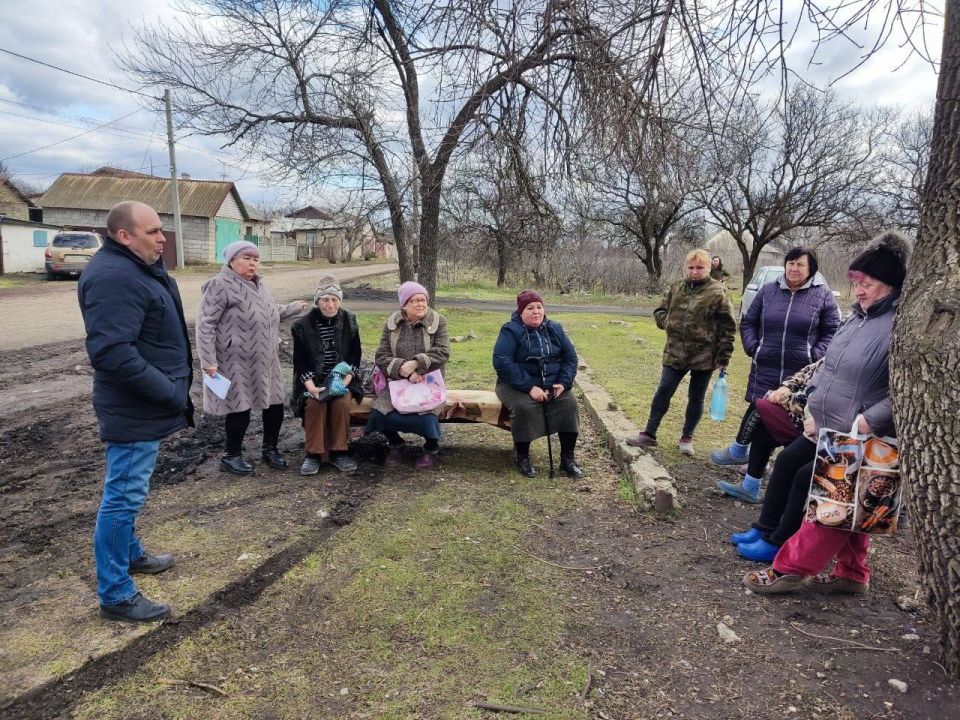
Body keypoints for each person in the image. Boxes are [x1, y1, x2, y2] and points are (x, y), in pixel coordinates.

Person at [732, 231, 908, 573]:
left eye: (867, 284)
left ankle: (780, 543)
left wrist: (869, 420)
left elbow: (903, 392)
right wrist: (812, 406)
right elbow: (827, 366)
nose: (858, 290)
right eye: (855, 282)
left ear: (890, 285)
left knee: (805, 478)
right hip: (826, 425)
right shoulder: (856, 318)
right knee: (786, 462)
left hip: (857, 433)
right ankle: (765, 529)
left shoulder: (896, 327)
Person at [78, 201, 193, 622]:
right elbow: (111, 353)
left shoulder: (136, 269)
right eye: (153, 232)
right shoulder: (114, 277)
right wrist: (169, 392)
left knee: (130, 492)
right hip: (134, 409)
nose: (163, 239)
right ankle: (115, 593)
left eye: (162, 230)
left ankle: (130, 554)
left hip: (143, 406)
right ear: (124, 236)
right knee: (122, 498)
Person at [714, 247, 840, 502]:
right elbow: (748, 321)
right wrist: (754, 347)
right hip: (767, 367)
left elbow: (832, 330)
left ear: (811, 269)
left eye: (800, 264)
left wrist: (814, 355)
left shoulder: (823, 295)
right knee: (761, 416)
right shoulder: (769, 290)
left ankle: (760, 472)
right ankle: (749, 473)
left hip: (799, 375)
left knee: (785, 428)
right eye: (790, 263)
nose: (794, 268)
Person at [196, 240, 306, 475]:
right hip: (235, 361)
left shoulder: (259, 285)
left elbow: (269, 311)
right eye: (246, 258)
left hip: (267, 360)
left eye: (255, 259)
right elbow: (205, 325)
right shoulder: (219, 285)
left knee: (275, 403)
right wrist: (209, 361)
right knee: (240, 407)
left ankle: (270, 449)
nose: (252, 263)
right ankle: (231, 456)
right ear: (232, 260)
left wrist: (294, 307)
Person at [627, 249, 736, 456]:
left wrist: (724, 356)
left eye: (699, 268)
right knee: (663, 391)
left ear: (708, 268)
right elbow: (660, 311)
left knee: (696, 397)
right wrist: (668, 322)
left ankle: (687, 437)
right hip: (675, 352)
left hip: (704, 356)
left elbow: (728, 327)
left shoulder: (718, 292)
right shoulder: (676, 287)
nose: (694, 272)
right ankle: (649, 433)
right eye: (691, 267)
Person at [493, 291, 582, 478]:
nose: (536, 312)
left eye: (539, 307)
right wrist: (529, 387)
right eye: (530, 308)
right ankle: (522, 457)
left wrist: (563, 383)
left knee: (569, 404)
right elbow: (502, 362)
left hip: (552, 385)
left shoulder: (554, 328)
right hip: (514, 385)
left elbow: (570, 358)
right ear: (521, 312)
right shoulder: (510, 330)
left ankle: (567, 459)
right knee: (524, 407)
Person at [366, 281, 451, 469]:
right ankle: (396, 444)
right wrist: (403, 369)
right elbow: (381, 355)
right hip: (398, 382)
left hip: (428, 382)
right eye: (415, 300)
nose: (421, 304)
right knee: (380, 413)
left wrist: (416, 364)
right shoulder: (392, 324)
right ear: (404, 304)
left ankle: (431, 448)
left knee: (427, 416)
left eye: (424, 300)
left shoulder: (438, 321)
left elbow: (443, 352)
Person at [291, 274, 362, 475]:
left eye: (334, 299)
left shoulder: (349, 320)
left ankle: (339, 452)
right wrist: (311, 387)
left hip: (343, 378)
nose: (330, 305)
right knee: (315, 404)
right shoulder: (302, 325)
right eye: (325, 300)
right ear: (317, 302)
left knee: (340, 403)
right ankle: (313, 454)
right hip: (314, 380)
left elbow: (355, 355)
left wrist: (346, 381)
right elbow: (300, 361)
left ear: (340, 301)